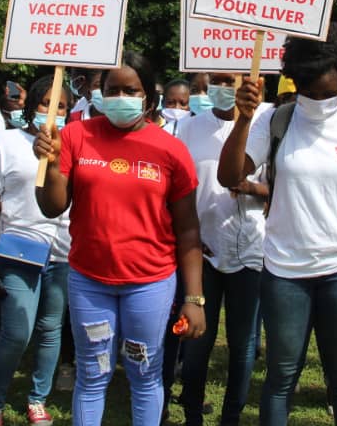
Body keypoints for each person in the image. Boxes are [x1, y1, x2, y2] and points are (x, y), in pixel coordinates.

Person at [218, 23, 337, 426]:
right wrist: (243, 121)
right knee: (281, 376)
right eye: (309, 91)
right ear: (295, 79)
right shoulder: (275, 121)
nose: (318, 99)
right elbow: (230, 176)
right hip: (285, 272)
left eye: (328, 91)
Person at [34, 51, 206, 426]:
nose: (121, 97)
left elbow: (189, 229)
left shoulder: (171, 150)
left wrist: (194, 298)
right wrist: (47, 164)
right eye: (112, 90)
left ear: (148, 96)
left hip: (150, 284)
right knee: (92, 374)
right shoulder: (74, 136)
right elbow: (52, 206)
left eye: (131, 90)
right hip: (89, 281)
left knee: (144, 374)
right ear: (99, 92)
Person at [0, 77, 73, 426]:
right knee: (17, 332)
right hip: (18, 250)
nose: (52, 111)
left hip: (63, 252)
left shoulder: (75, 144)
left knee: (50, 329)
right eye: (46, 103)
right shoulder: (5, 143)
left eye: (60, 105)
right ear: (32, 105)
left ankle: (37, 399)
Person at [176, 72, 268, 426]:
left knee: (243, 344)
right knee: (197, 338)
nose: (223, 88)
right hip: (201, 252)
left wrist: (249, 187)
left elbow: (279, 188)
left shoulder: (266, 123)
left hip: (250, 251)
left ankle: (231, 417)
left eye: (232, 81)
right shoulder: (188, 128)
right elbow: (179, 188)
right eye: (218, 80)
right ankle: (193, 415)